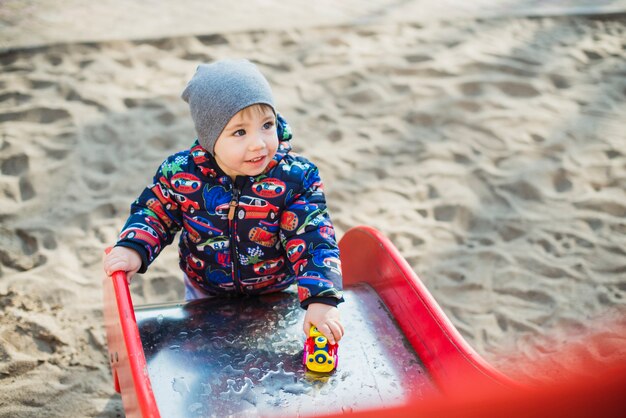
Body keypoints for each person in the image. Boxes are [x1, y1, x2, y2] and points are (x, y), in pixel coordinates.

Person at [103, 59, 344, 344]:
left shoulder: (296, 179)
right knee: (209, 349)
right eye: (239, 132)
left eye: (267, 125)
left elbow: (313, 236)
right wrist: (135, 247)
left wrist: (321, 298)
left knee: (265, 354)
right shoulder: (181, 174)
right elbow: (155, 213)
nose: (258, 143)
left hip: (275, 291)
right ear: (210, 137)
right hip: (206, 290)